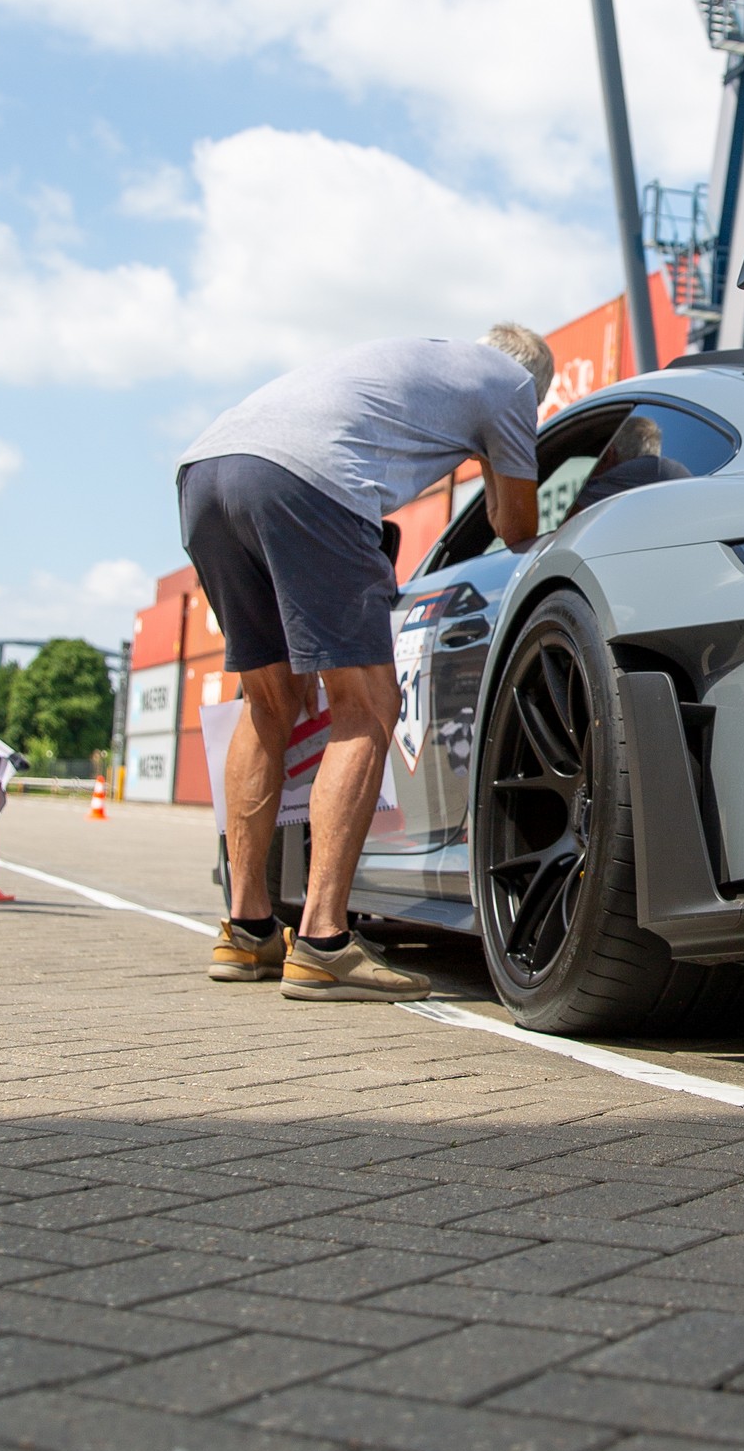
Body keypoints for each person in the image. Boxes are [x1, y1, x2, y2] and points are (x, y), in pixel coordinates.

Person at [178, 323, 553, 1001]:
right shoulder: (514, 387)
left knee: (267, 703)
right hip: (309, 481)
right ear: (537, 384)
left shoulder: (435, 360)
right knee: (368, 706)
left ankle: (247, 929)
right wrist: (497, 455)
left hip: (206, 473)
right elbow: (516, 527)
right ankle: (324, 943)